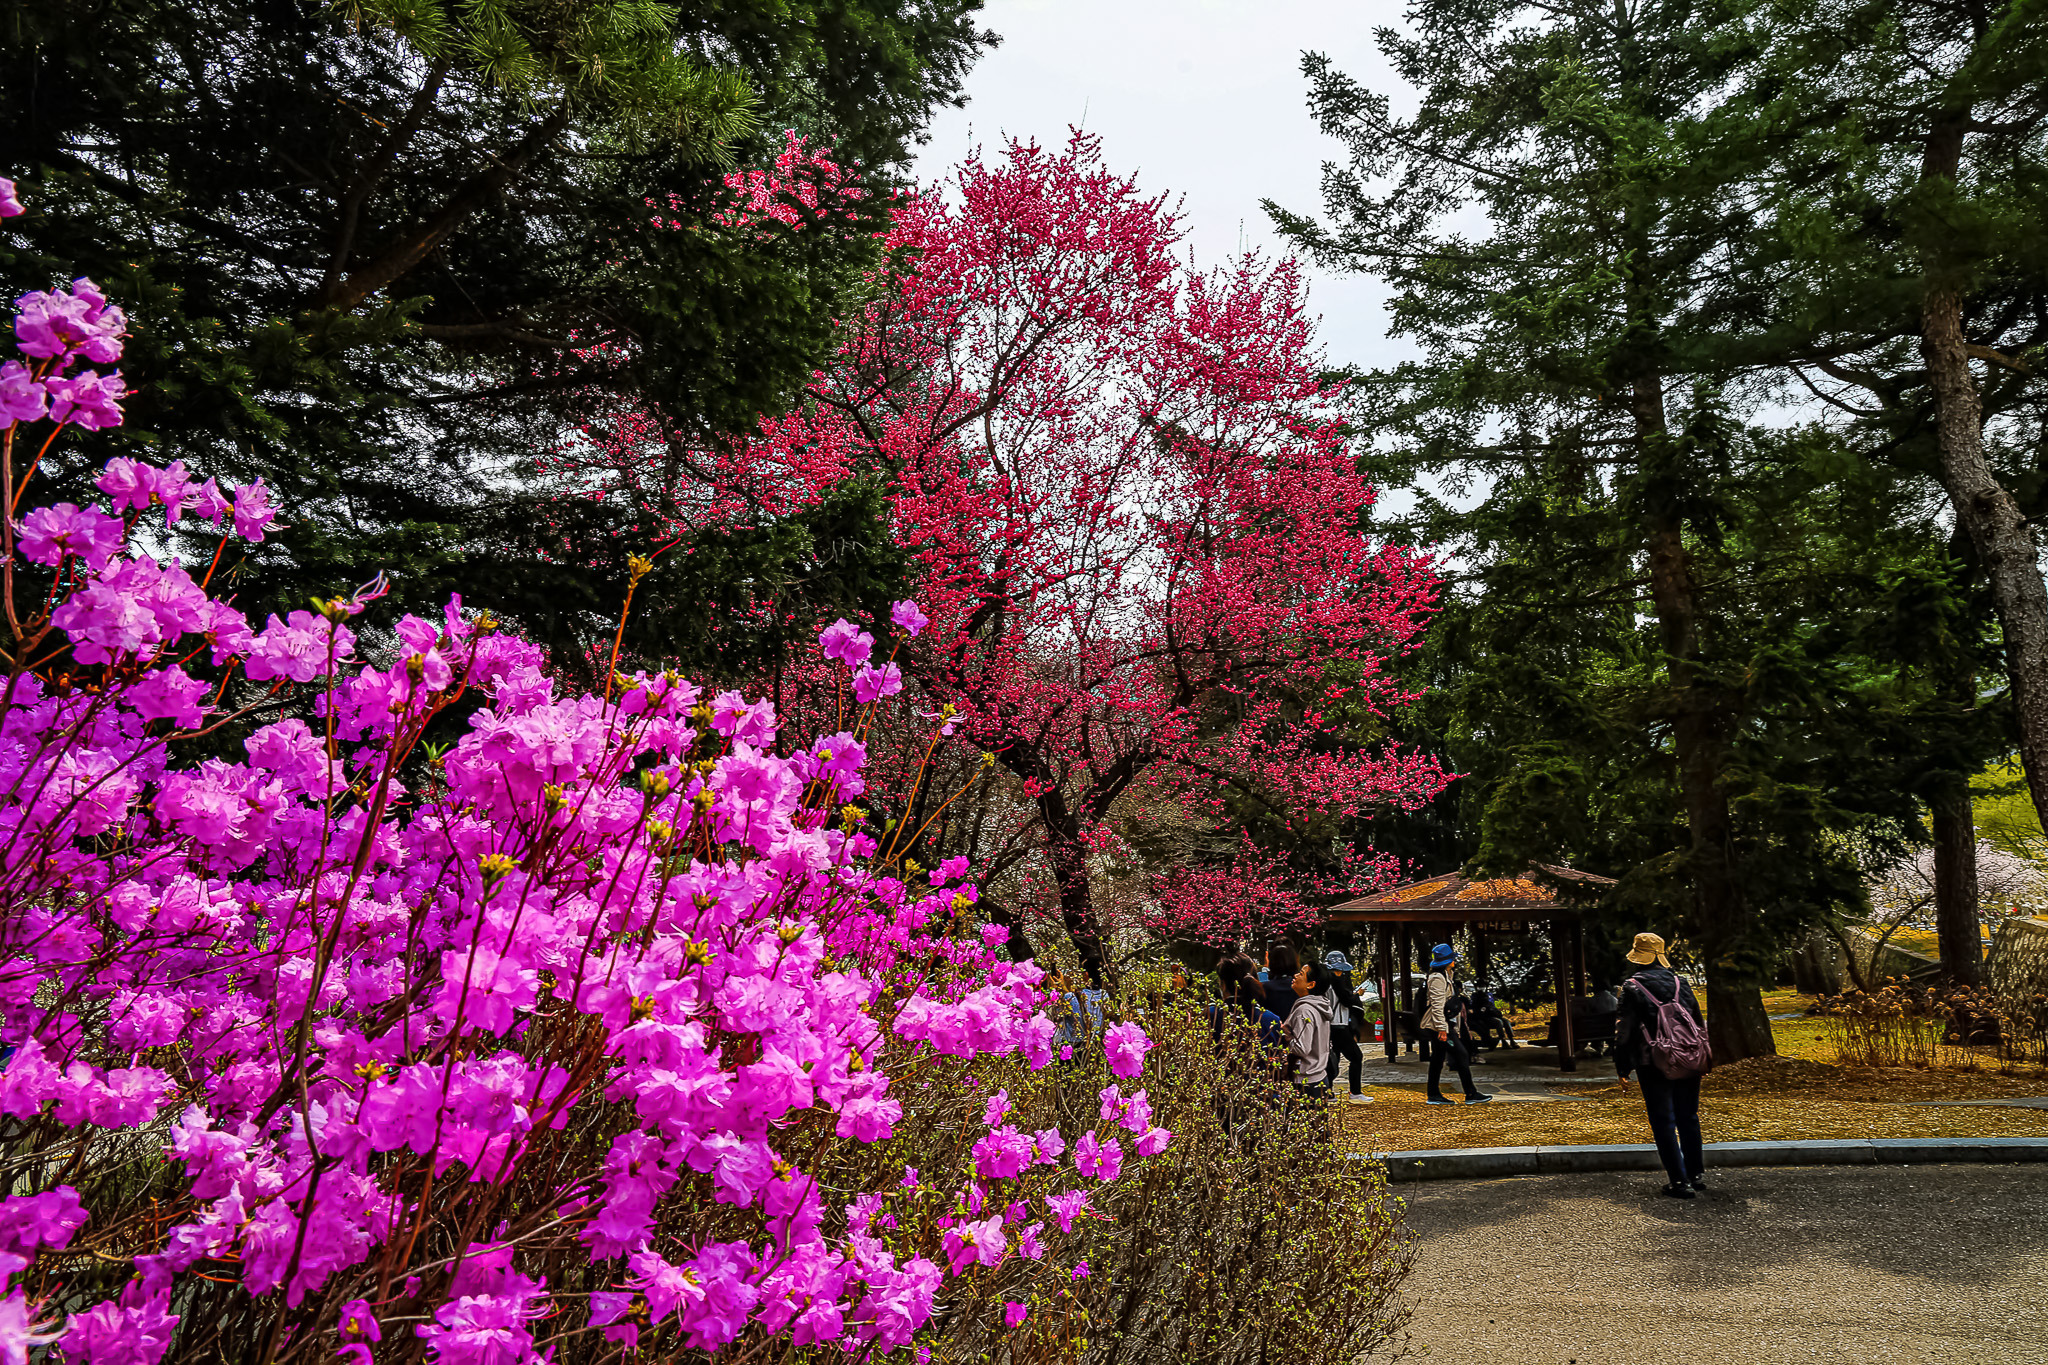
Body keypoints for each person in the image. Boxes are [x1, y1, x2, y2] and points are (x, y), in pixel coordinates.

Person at [1614, 932, 1707, 1199]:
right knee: (1688, 1116)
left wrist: (1622, 1067)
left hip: (1652, 1061)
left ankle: (1678, 1181)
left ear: (1637, 956)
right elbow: (1696, 1020)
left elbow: (1624, 1031)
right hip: (1687, 1056)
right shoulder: (1681, 982)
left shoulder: (1632, 987)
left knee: (1663, 1120)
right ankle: (1695, 1174)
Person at [1420, 943, 1491, 1105]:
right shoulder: (1437, 978)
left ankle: (1434, 1094)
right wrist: (1442, 1029)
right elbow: (1437, 1006)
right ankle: (1470, 1093)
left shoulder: (1446, 975)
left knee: (1437, 1058)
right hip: (1440, 1025)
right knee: (1461, 1054)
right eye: (1452, 958)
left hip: (1445, 1023)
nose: (1454, 961)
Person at [1322, 950, 1372, 1104]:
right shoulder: (1337, 984)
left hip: (1329, 1026)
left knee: (1333, 1060)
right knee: (1356, 1057)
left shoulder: (1324, 984)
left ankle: (1328, 1092)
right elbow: (1347, 1000)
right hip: (1339, 1026)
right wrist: (1356, 995)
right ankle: (1355, 1092)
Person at [1285, 959, 1334, 1100]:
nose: (1295, 976)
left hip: (1305, 1081)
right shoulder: (1320, 1006)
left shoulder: (1305, 1010)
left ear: (1311, 984)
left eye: (1301, 974)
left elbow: (1302, 1049)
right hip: (1319, 1076)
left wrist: (1285, 1034)